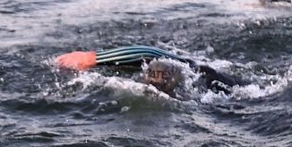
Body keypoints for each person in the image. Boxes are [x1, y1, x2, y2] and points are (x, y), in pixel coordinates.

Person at [54, 46, 240, 97]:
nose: (151, 81)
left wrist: (93, 58)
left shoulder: (203, 75)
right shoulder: (200, 88)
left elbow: (151, 53)